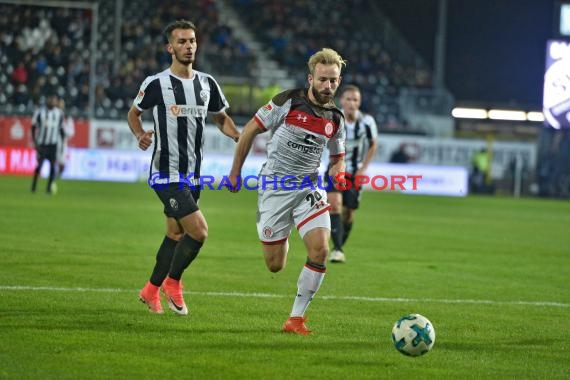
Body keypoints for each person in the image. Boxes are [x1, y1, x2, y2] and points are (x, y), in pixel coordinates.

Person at [228, 48, 346, 335]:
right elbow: (249, 131)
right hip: (275, 188)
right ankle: (286, 232)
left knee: (320, 250)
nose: (327, 86)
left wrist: (338, 172)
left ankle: (296, 319)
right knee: (275, 265)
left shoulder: (336, 118)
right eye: (322, 79)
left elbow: (337, 156)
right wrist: (235, 172)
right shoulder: (287, 101)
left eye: (333, 80)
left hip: (308, 187)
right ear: (310, 78)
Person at [127, 20, 240, 315]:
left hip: (193, 174)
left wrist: (240, 136)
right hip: (165, 174)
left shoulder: (207, 84)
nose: (188, 46)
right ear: (170, 47)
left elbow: (221, 118)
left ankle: (150, 290)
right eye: (181, 42)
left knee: (175, 235)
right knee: (199, 231)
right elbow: (133, 113)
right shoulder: (156, 83)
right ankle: (172, 283)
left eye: (192, 41)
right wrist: (140, 134)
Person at [326, 85, 378, 263]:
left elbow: (373, 144)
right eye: (348, 99)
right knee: (334, 205)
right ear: (342, 101)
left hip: (355, 173)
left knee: (348, 214)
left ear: (359, 102)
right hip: (334, 169)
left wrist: (363, 169)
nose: (351, 103)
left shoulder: (367, 122)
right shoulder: (333, 117)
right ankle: (338, 250)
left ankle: (338, 244)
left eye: (355, 99)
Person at [31, 94, 65, 195]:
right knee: (39, 165)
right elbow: (33, 127)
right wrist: (34, 141)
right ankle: (33, 186)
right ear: (47, 100)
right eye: (50, 100)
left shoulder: (59, 114)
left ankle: (49, 188)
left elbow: (61, 130)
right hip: (42, 143)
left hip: (53, 144)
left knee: (52, 166)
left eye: (54, 100)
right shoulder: (40, 112)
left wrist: (62, 144)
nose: (52, 102)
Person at [56, 98, 75, 177]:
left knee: (62, 160)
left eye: (62, 104)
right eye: (59, 103)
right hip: (53, 141)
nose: (61, 105)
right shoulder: (52, 115)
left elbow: (71, 131)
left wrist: (64, 131)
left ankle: (59, 175)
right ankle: (53, 175)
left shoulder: (67, 117)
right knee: (53, 159)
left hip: (63, 141)